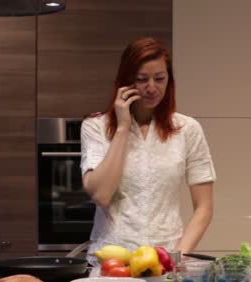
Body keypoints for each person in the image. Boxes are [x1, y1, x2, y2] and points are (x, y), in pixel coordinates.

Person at [80, 37, 216, 265]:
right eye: (142, 79)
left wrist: (176, 258)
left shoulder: (187, 129)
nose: (152, 88)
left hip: (166, 262)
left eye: (160, 79)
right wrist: (122, 127)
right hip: (111, 264)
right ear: (126, 81)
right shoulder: (95, 127)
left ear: (169, 81)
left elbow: (204, 207)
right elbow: (101, 195)